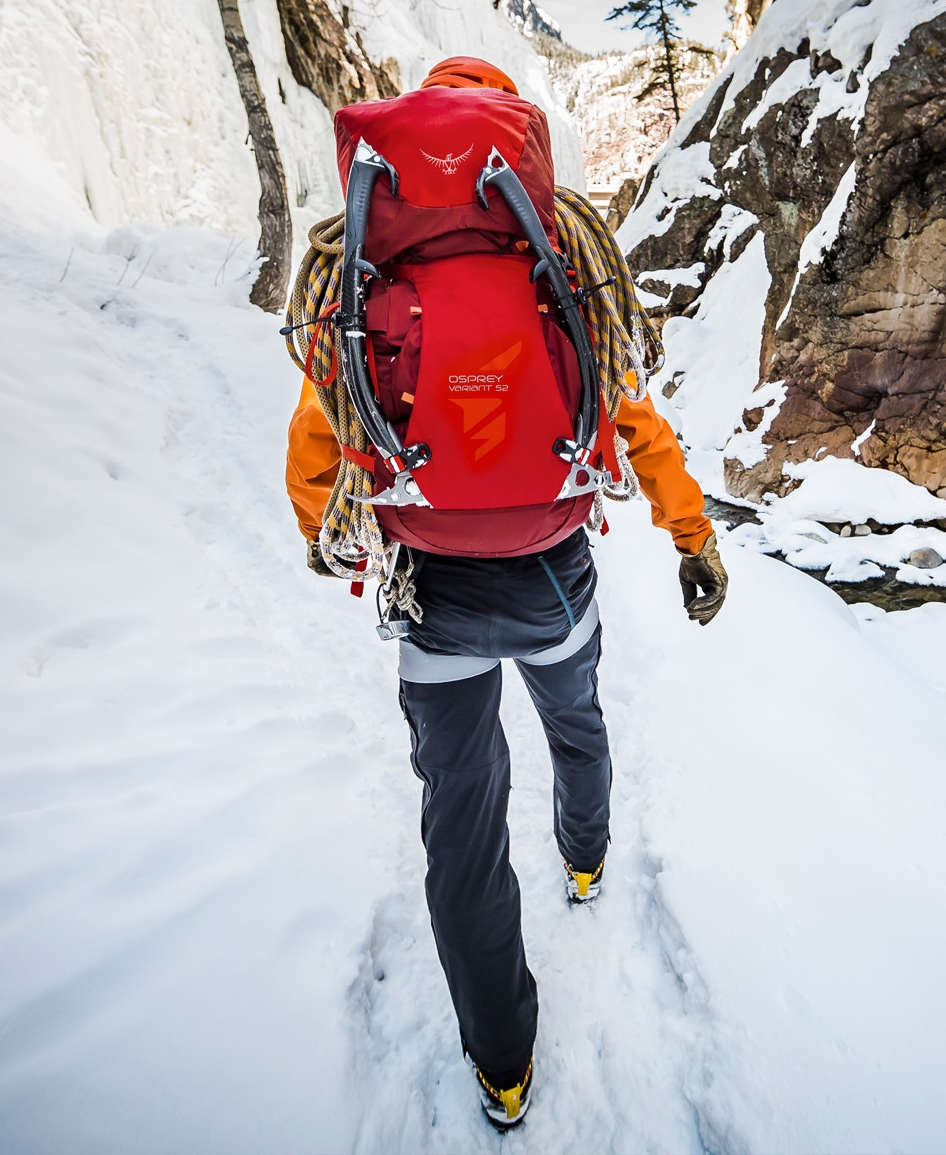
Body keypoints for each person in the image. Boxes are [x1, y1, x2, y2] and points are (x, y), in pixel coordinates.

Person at [285, 56, 727, 1129]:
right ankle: (585, 860)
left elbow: (320, 435)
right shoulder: (564, 248)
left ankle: (504, 1065)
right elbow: (630, 411)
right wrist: (690, 535)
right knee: (574, 722)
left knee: (463, 824)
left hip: (432, 586)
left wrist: (324, 534)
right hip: (551, 575)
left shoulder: (362, 262)